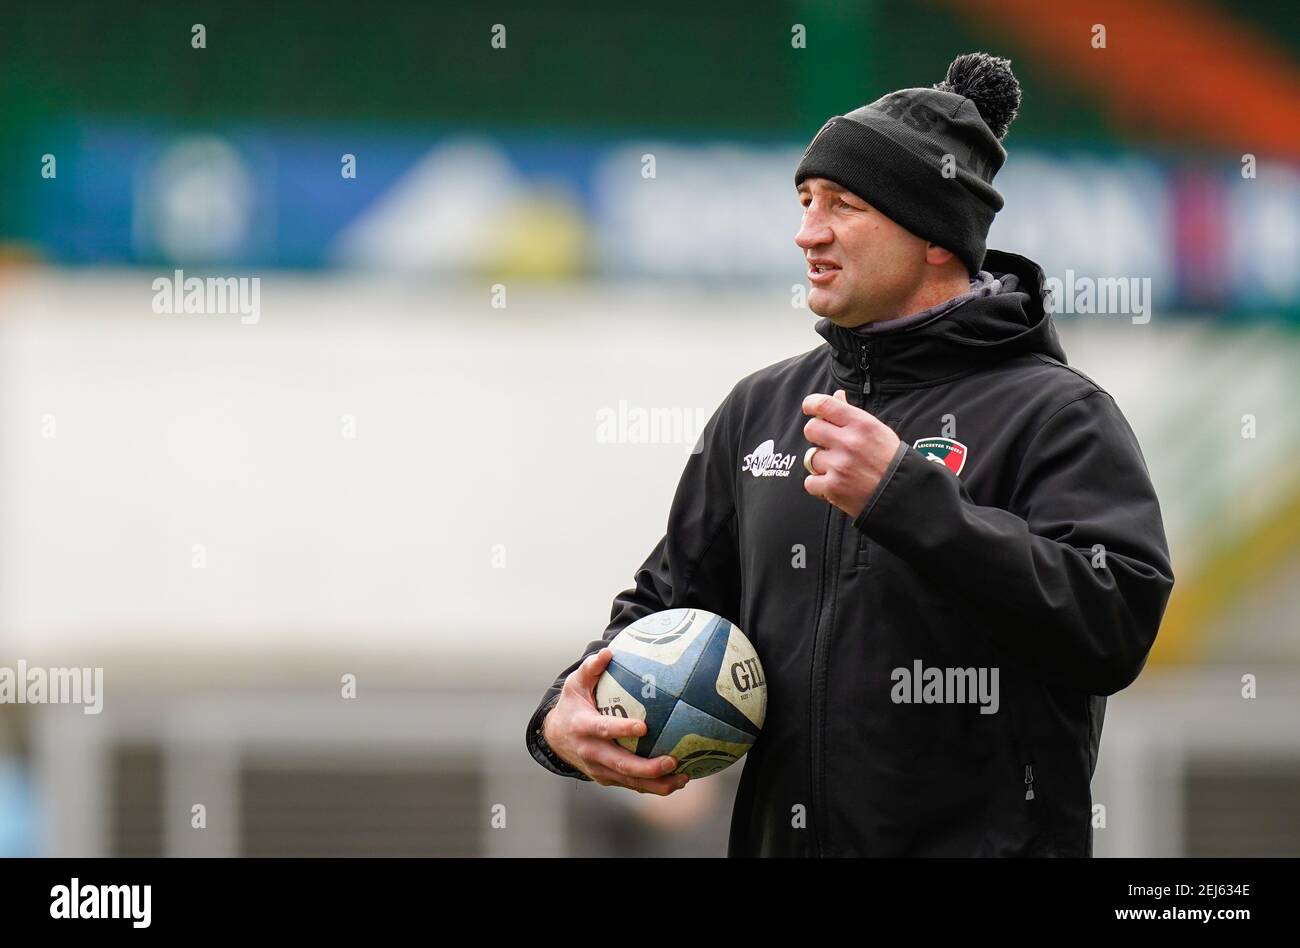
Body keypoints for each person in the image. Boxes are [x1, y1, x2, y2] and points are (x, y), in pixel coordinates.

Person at [524, 52, 1174, 856]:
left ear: (936, 237)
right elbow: (668, 602)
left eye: (844, 204)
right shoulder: (761, 410)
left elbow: (1114, 623)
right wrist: (565, 713)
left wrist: (909, 500)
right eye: (804, 200)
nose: (808, 231)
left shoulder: (1058, 413)